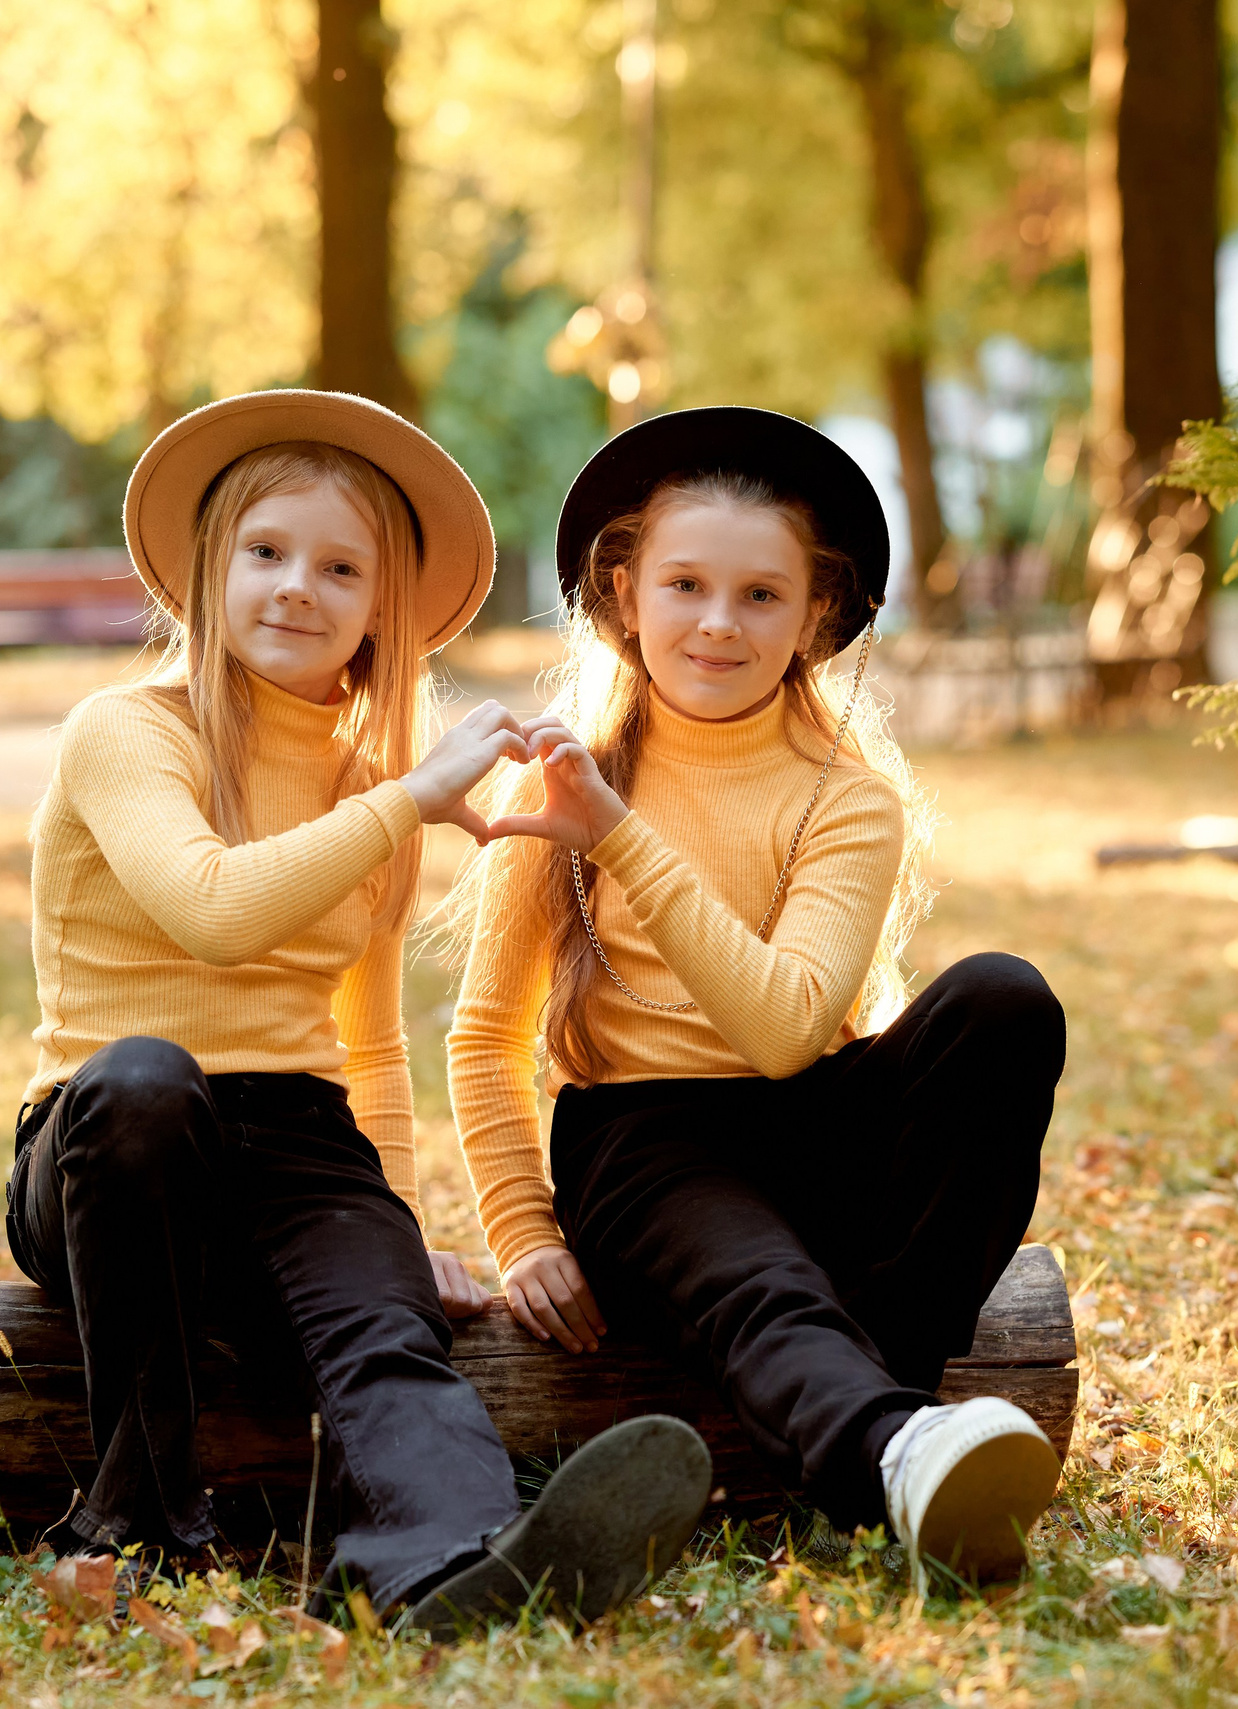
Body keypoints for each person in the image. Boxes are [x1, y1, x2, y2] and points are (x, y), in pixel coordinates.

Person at [6, 389, 710, 1632]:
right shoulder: (126, 732)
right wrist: (411, 800)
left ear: (381, 612)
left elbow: (366, 1039)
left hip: (295, 1144)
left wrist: (396, 1222)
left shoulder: (368, 795)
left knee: (385, 1338)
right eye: (267, 553)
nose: (298, 588)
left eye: (341, 568)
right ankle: (140, 1525)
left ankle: (460, 1557)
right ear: (208, 569)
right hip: (107, 1149)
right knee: (149, 1077)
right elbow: (215, 910)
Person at [445, 407, 1068, 1594]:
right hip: (643, 1147)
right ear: (626, 594)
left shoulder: (849, 797)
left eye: (759, 596)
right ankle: (891, 1450)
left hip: (806, 1115)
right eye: (684, 583)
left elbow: (786, 1030)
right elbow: (483, 1034)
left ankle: (874, 1393)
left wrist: (621, 842)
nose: (717, 623)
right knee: (759, 1284)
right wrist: (524, 1228)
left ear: (816, 617)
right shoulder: (573, 774)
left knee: (1002, 999)